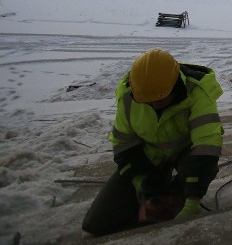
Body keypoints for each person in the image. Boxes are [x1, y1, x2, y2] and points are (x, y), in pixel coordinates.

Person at [82, 49, 224, 236]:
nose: (155, 105)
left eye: (161, 98)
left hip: (186, 157)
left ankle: (178, 191)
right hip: (148, 159)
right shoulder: (128, 97)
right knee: (95, 224)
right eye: (147, 101)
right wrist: (143, 188)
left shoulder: (198, 92)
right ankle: (162, 189)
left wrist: (192, 203)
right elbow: (124, 145)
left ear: (175, 86)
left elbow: (207, 146)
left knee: (176, 202)